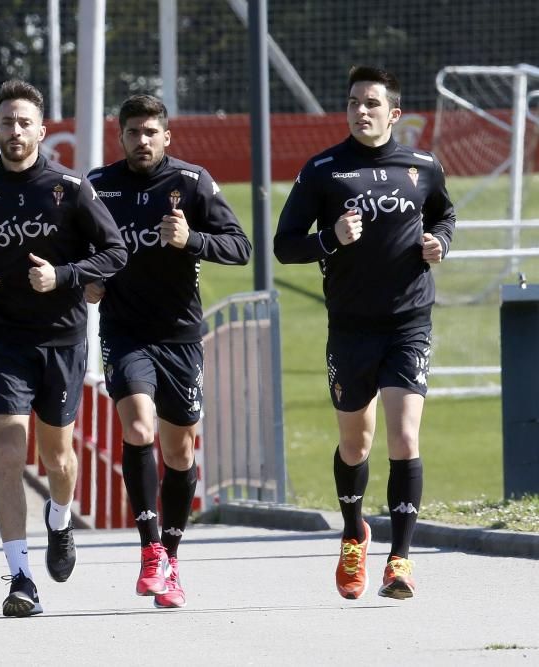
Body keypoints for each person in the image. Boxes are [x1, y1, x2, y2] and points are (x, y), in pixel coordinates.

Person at [0, 79, 127, 617]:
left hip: (62, 339)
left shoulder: (70, 187)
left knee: (58, 458)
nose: (15, 131)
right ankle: (20, 577)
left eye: (25, 123)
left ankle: (60, 522)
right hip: (4, 340)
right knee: (8, 451)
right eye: (6, 122)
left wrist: (65, 275)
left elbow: (114, 252)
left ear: (42, 131)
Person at [274, 66, 456, 601]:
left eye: (372, 103)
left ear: (394, 113)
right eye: (354, 101)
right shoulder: (323, 170)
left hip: (408, 322)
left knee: (404, 436)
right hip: (350, 328)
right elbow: (286, 245)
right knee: (356, 444)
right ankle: (354, 532)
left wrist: (439, 241)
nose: (361, 111)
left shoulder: (422, 166)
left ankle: (400, 560)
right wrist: (330, 237)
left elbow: (445, 215)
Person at [86, 94, 251, 608]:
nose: (142, 141)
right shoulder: (98, 186)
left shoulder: (192, 183)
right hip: (124, 332)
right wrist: (86, 282)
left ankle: (173, 559)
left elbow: (240, 246)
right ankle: (150, 549)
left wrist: (192, 239)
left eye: (151, 132)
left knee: (179, 452)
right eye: (133, 132)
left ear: (167, 136)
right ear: (121, 137)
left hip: (180, 336)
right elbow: (73, 250)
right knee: (138, 427)